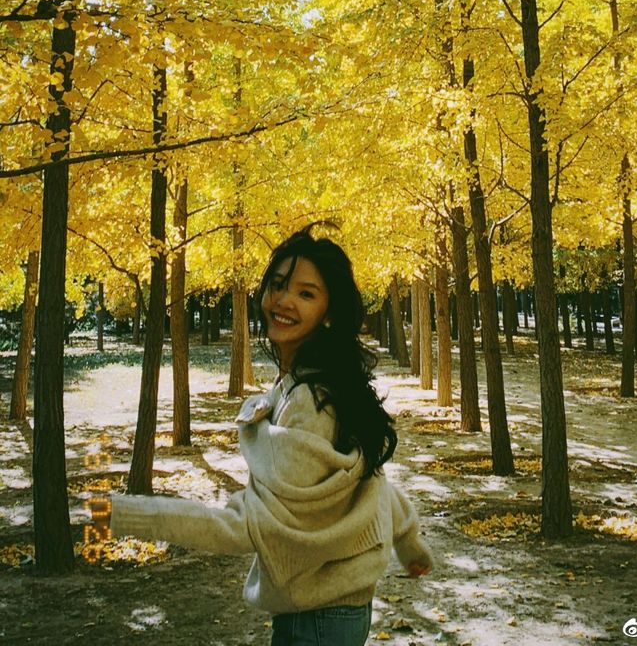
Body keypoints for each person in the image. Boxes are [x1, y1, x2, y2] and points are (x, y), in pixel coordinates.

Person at [108, 226, 432, 646]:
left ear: (329, 312)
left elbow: (249, 526)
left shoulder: (308, 402)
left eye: (306, 293)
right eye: (277, 285)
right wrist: (409, 544)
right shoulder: (324, 383)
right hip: (341, 610)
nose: (283, 301)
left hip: (315, 620)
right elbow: (366, 483)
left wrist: (124, 515)